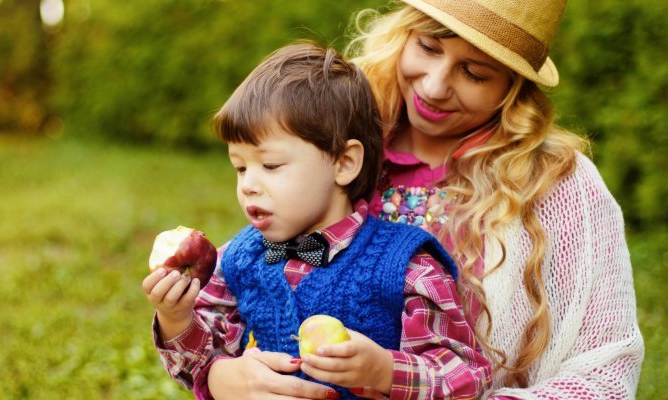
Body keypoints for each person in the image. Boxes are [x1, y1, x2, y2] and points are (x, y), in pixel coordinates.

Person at [201, 0, 645, 399]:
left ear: (513, 87)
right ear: (403, 34)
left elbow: (603, 375)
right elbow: (244, 284)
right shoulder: (336, 136)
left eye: (475, 73)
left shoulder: (556, 185)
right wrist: (220, 377)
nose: (434, 87)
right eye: (429, 48)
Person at [142, 42, 493, 400]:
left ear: (344, 163)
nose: (248, 185)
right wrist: (177, 318)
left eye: (271, 165)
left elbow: (467, 375)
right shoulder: (239, 256)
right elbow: (206, 359)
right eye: (240, 167)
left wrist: (385, 371)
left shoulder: (406, 265)